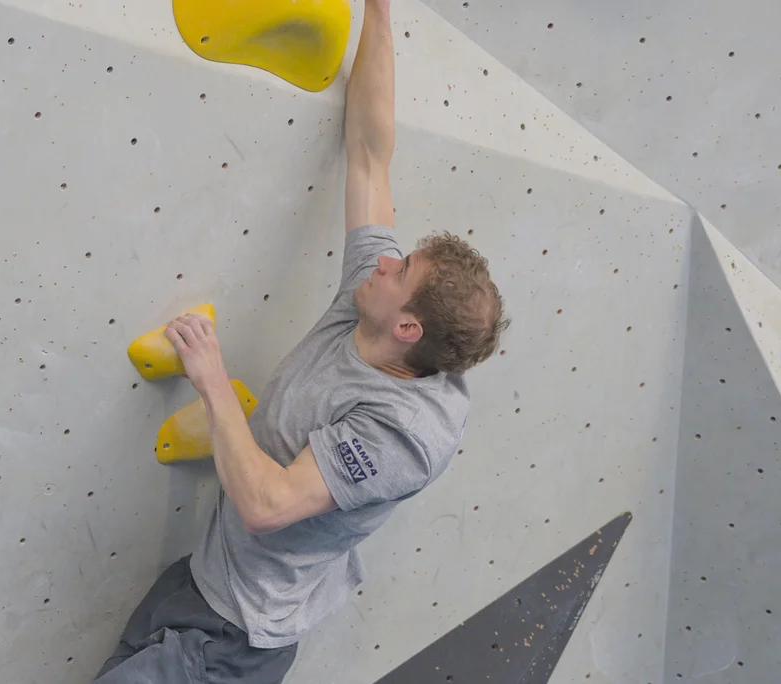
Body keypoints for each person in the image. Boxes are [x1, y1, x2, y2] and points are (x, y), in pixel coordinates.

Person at [94, 0, 509, 681]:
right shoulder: (374, 311)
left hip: (234, 639)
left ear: (409, 329)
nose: (383, 261)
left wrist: (211, 377)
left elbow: (267, 506)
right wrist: (378, 14)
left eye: (398, 271)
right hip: (199, 582)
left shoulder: (399, 434)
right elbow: (371, 156)